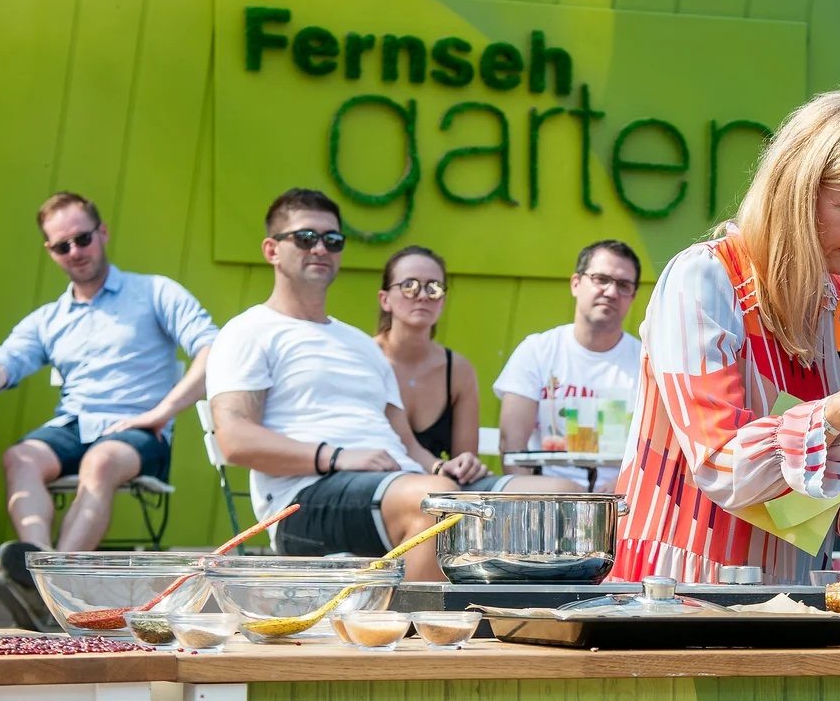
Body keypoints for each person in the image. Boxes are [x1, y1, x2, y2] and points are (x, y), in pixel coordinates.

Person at [612, 90, 840, 585]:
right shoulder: (704, 278)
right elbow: (721, 466)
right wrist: (838, 411)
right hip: (679, 585)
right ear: (797, 190)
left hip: (792, 588)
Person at [206, 188, 464, 581]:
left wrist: (447, 467)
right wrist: (337, 456)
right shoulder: (247, 331)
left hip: (400, 482)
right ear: (272, 250)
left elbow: (407, 443)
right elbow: (236, 440)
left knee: (557, 494)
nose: (321, 248)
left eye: (333, 240)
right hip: (303, 502)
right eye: (306, 238)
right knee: (439, 504)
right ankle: (400, 629)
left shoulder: (362, 344)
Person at [0, 192, 218, 566]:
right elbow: (3, 364)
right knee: (20, 458)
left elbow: (214, 349)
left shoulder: (154, 292)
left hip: (138, 429)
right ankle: (38, 567)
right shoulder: (48, 318)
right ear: (51, 251)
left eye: (83, 239)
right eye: (62, 246)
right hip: (73, 425)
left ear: (102, 233)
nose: (75, 251)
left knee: (99, 462)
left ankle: (56, 580)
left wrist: (162, 412)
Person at [373, 244, 576, 493]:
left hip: (442, 486)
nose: (423, 295)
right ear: (385, 300)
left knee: (560, 490)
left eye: (434, 288)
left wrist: (467, 465)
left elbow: (464, 458)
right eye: (409, 286)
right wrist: (439, 468)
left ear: (443, 300)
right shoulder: (366, 358)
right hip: (379, 484)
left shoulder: (457, 369)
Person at [494, 240, 645, 492]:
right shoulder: (537, 351)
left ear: (633, 296)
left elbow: (661, 449)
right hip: (548, 500)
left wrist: (625, 485)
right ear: (576, 283)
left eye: (624, 285)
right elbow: (511, 447)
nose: (611, 292)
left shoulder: (647, 361)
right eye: (601, 279)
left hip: (624, 499)